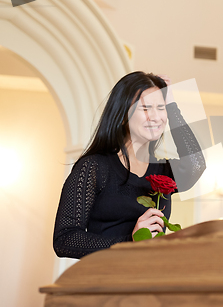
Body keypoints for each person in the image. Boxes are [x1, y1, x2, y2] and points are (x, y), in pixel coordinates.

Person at [53, 71, 206, 259]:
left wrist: (172, 107)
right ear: (123, 114)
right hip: (105, 281)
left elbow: (196, 164)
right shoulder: (94, 167)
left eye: (161, 108)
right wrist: (129, 241)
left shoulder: (163, 171)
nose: (155, 117)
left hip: (148, 279)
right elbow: (64, 239)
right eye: (145, 108)